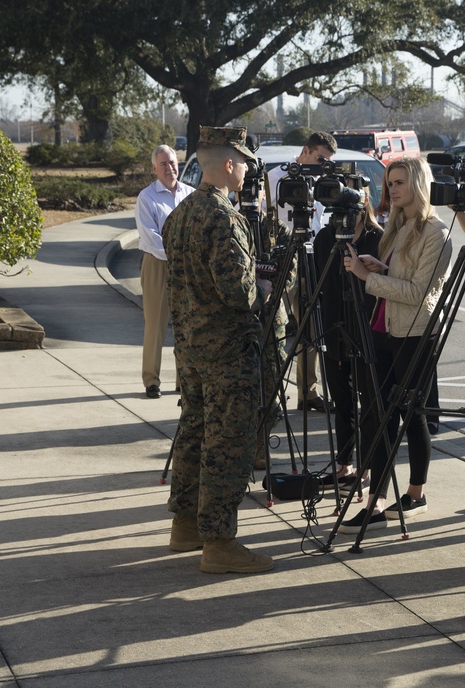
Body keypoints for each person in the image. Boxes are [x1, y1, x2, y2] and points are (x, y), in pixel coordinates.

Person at [161, 126, 275, 574]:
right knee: (227, 442)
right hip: (226, 351)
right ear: (228, 165)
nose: (247, 169)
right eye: (243, 161)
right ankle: (219, 542)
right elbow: (238, 292)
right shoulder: (223, 217)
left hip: (190, 348)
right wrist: (264, 287)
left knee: (194, 431)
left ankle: (186, 524)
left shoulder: (182, 213)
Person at [340, 157, 452, 531]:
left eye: (400, 182)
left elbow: (420, 293)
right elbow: (402, 278)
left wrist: (365, 277)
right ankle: (376, 501)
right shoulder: (397, 225)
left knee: (412, 414)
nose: (393, 189)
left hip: (415, 333)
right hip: (383, 326)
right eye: (390, 182)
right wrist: (379, 266)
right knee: (378, 414)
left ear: (419, 183)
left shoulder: (437, 232)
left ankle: (416, 494)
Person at [266, 131, 338, 412]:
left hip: (310, 257)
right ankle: (270, 392)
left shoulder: (322, 182)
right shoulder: (276, 177)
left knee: (311, 327)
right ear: (305, 151)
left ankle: (307, 392)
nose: (323, 166)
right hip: (281, 258)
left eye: (328, 162)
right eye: (320, 159)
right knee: (274, 325)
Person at [313, 200, 383, 487]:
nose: (346, 215)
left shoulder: (376, 238)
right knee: (342, 402)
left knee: (369, 402)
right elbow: (318, 283)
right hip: (334, 329)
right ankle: (345, 464)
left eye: (352, 208)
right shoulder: (325, 238)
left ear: (363, 205)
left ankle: (367, 466)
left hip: (366, 330)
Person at [135, 144, 195, 398]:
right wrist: (179, 253)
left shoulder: (191, 194)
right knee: (156, 325)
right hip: (158, 265)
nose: (170, 168)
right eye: (163, 164)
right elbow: (150, 238)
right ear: (154, 169)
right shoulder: (147, 197)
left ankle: (185, 381)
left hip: (188, 267)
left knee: (187, 324)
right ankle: (152, 380)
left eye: (172, 162)